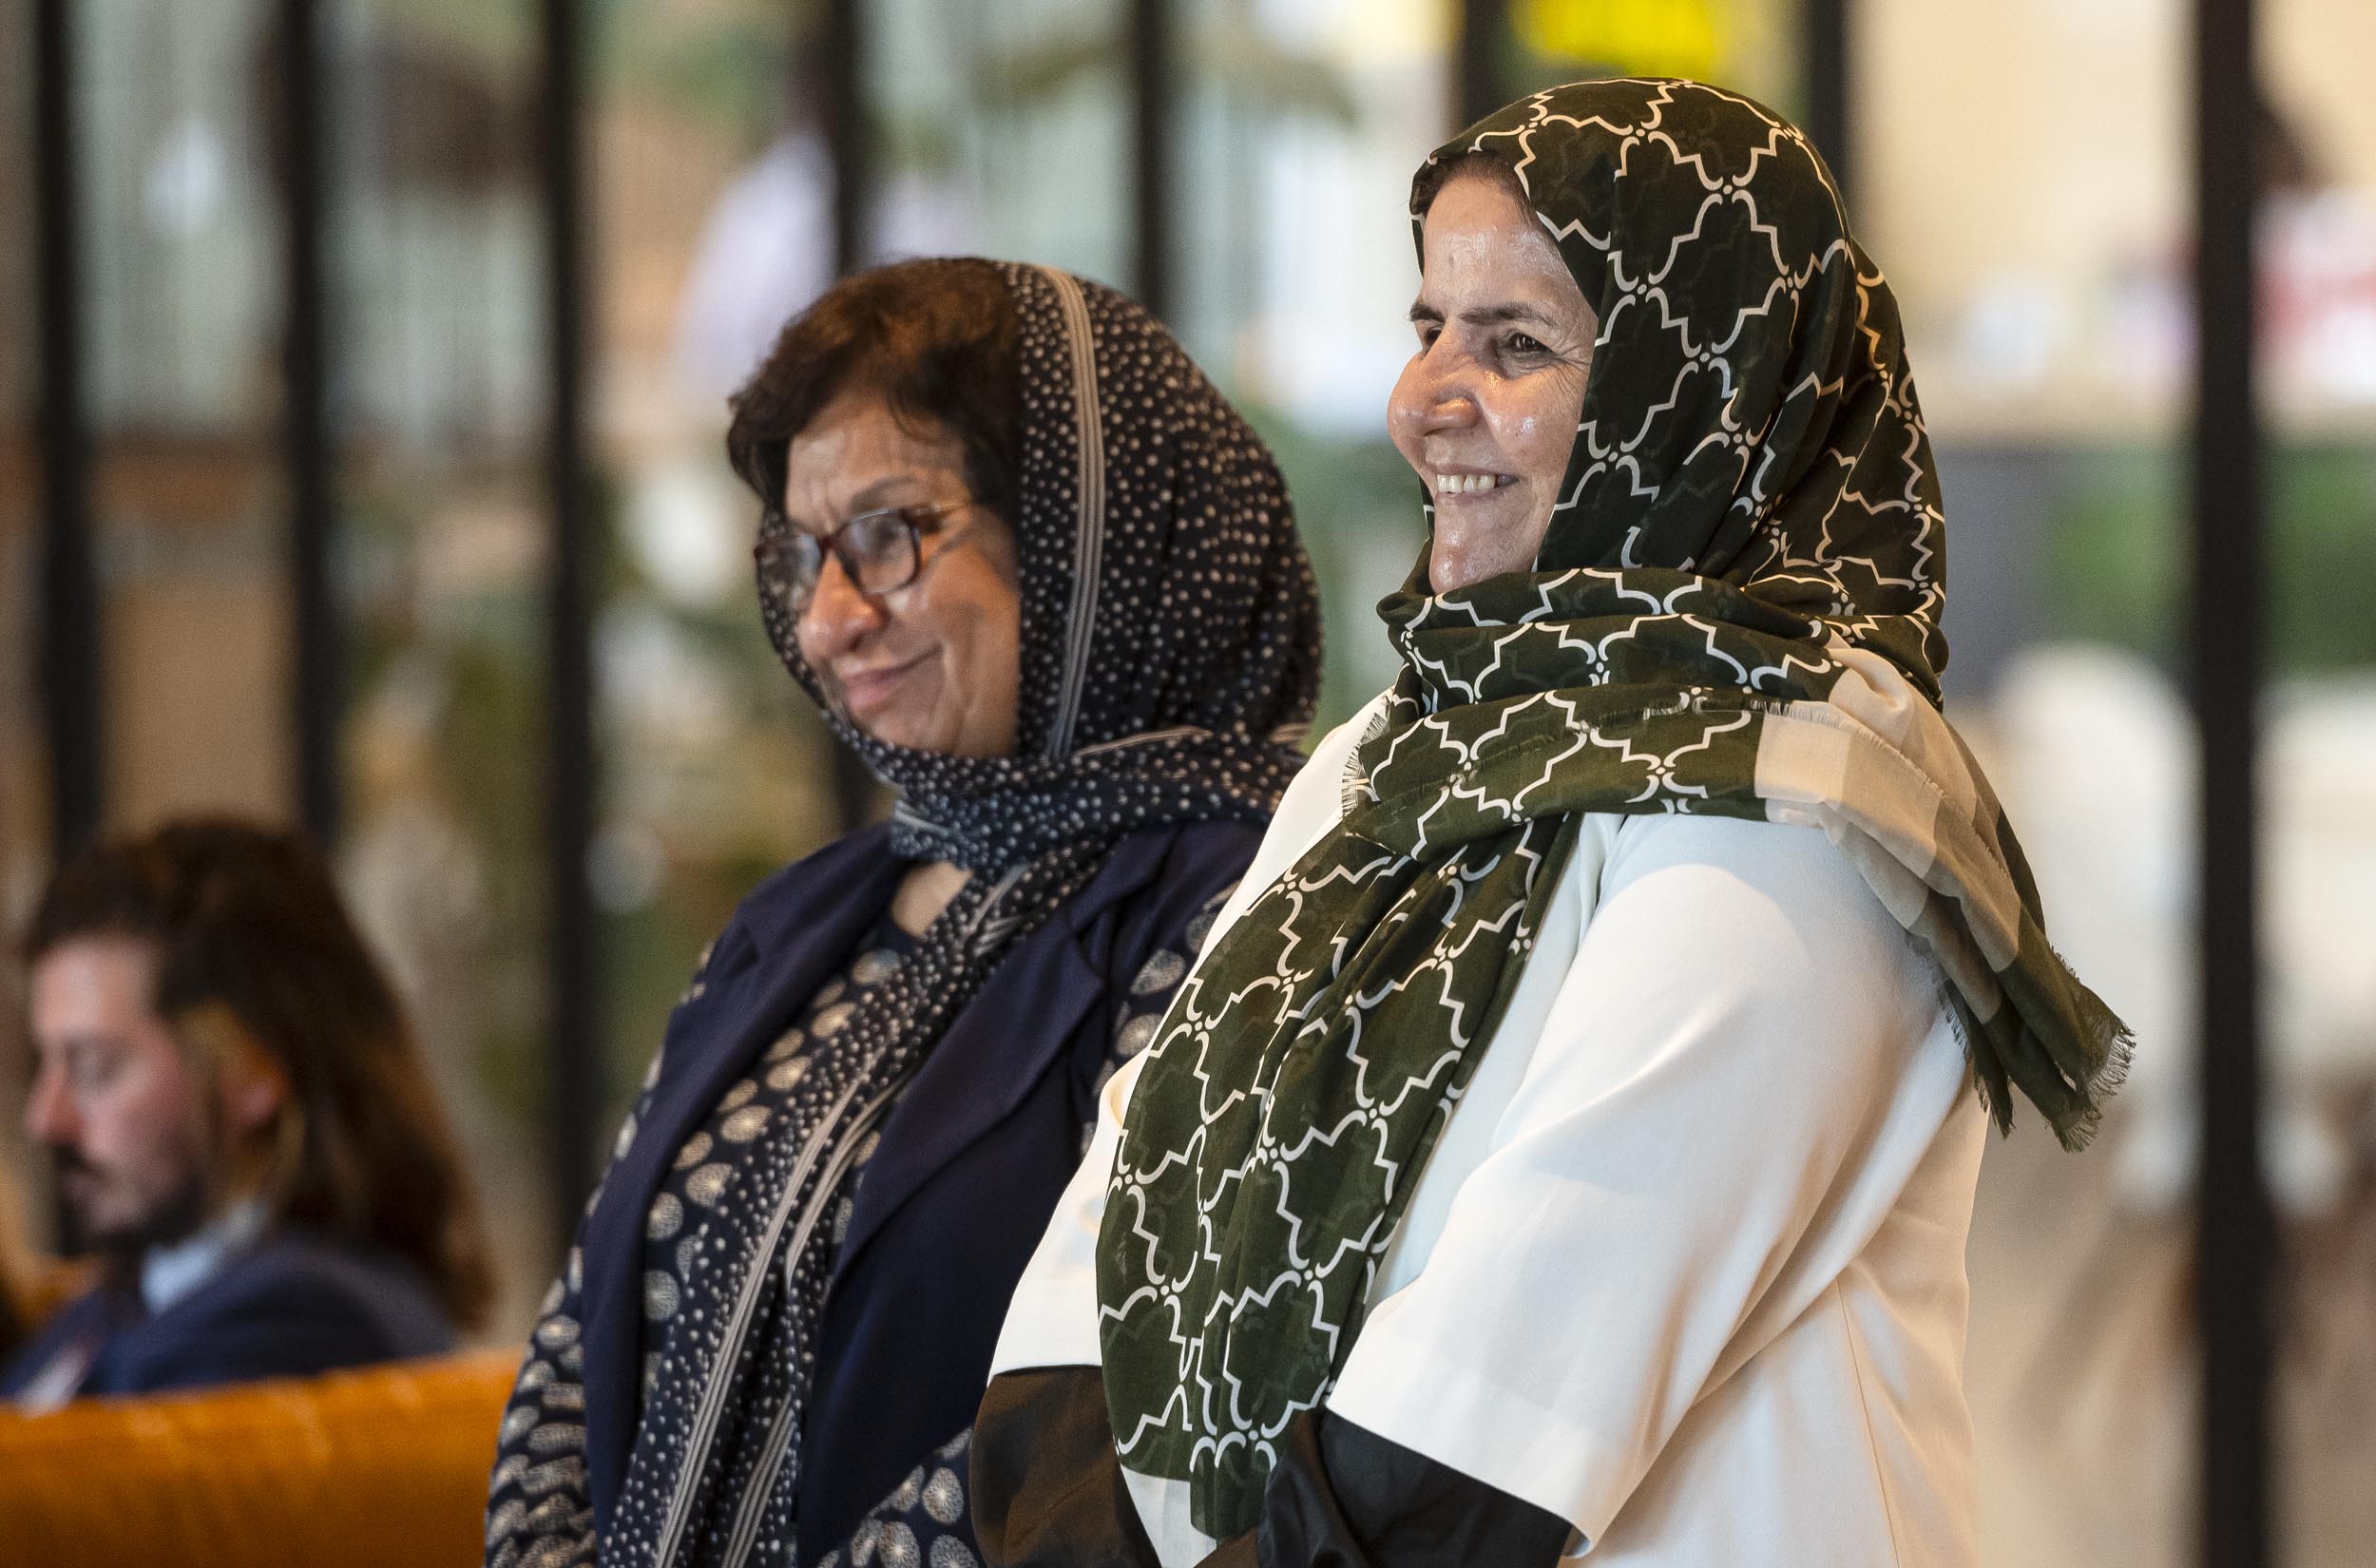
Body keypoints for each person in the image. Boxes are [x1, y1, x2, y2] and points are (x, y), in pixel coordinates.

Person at [973, 79, 2130, 1568]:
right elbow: (1137, 1164)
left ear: (1704, 387)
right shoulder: (1396, 747)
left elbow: (1497, 1406)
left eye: (1516, 344)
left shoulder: (1798, 808)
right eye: (1426, 328)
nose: (1424, 401)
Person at [482, 258, 1321, 1568]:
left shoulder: (1254, 912)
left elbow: (1124, 1396)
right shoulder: (797, 921)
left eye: (888, 532)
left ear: (1086, 528)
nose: (827, 621)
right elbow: (573, 1350)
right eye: (804, 553)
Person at [3, 817, 491, 1410]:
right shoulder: (141, 1289)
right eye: (45, 1065)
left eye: (93, 1068)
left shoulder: (298, 1324)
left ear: (252, 1071)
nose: (46, 1121)